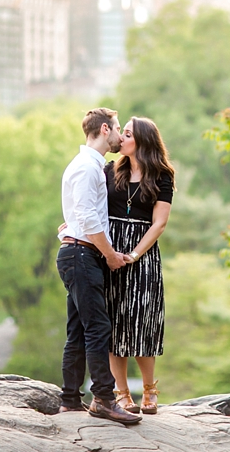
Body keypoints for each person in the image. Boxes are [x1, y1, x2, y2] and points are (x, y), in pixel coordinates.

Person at [56, 107, 141, 425]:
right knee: (97, 328)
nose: (121, 135)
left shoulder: (92, 166)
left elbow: (80, 215)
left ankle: (70, 400)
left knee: (78, 329)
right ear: (105, 129)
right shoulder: (86, 168)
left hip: (79, 252)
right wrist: (109, 254)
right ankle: (104, 399)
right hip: (82, 256)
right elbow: (88, 217)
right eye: (118, 129)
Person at [104, 117, 175, 415]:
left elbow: (159, 223)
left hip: (142, 251)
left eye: (128, 134)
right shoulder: (111, 169)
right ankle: (122, 393)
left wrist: (133, 254)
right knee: (112, 321)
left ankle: (150, 389)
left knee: (144, 319)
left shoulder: (162, 175)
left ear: (142, 141)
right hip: (109, 248)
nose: (121, 138)